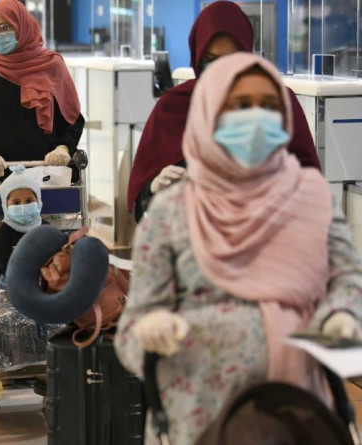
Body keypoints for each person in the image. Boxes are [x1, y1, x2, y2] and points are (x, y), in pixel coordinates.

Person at [115, 53, 362, 444]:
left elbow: (346, 279)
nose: (256, 119)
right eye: (240, 106)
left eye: (268, 106)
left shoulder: (312, 199)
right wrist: (151, 330)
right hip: (199, 416)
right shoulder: (172, 212)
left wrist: (342, 315)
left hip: (297, 414)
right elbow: (132, 328)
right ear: (210, 114)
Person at [127, 1, 321, 223]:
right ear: (197, 59)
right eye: (210, 61)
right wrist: (155, 188)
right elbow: (143, 213)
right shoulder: (174, 107)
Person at [0, 0, 84, 179]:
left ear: (22, 26)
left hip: (46, 174)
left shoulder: (51, 67)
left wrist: (63, 148)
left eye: (4, 27)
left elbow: (72, 118)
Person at [0, 165, 47, 289]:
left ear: (38, 201)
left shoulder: (45, 228)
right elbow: (5, 265)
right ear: (5, 206)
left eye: (29, 201)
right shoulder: (5, 231)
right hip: (11, 277)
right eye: (16, 203)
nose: (23, 206)